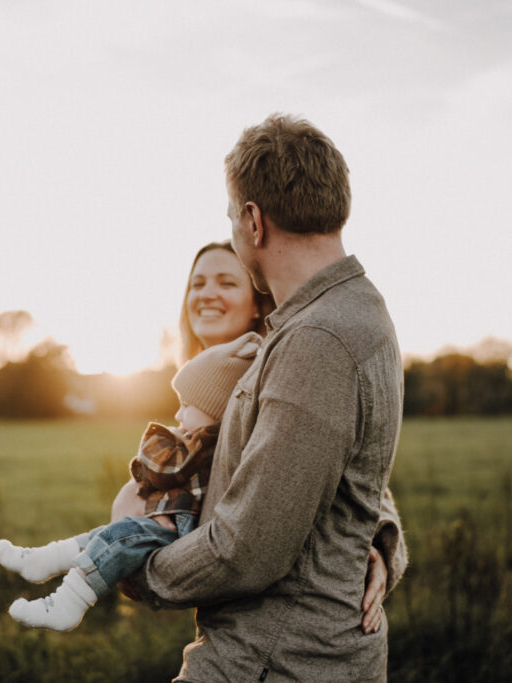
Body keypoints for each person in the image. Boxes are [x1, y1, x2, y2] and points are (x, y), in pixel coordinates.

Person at [115, 114, 405, 682]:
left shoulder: (316, 340)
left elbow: (247, 549)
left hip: (272, 661)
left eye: (230, 216)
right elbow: (345, 473)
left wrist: (128, 565)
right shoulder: (344, 316)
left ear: (252, 220)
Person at [0, 331, 261, 631]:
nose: (178, 413)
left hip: (180, 531)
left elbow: (159, 470)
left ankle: (68, 602)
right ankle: (46, 559)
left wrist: (166, 440)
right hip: (172, 522)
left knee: (120, 537)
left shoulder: (206, 444)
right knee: (106, 535)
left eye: (186, 405)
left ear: (216, 410)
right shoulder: (203, 442)